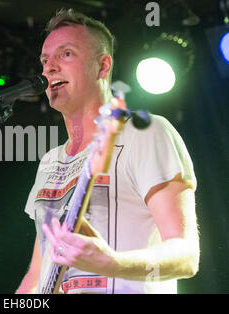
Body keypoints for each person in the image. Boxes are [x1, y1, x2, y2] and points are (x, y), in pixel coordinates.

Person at [16, 8, 199, 294]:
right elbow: (37, 275)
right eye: (45, 59)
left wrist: (113, 263)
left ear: (102, 66)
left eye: (66, 54)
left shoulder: (145, 132)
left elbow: (186, 255)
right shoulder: (49, 162)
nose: (49, 67)